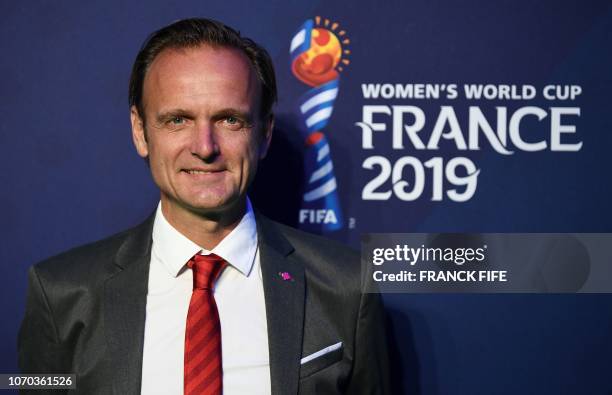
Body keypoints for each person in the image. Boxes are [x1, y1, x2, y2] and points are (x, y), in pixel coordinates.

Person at [18, 18, 390, 394]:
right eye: (177, 120)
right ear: (139, 130)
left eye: (230, 119)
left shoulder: (346, 288)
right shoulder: (61, 293)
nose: (205, 147)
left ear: (264, 132)